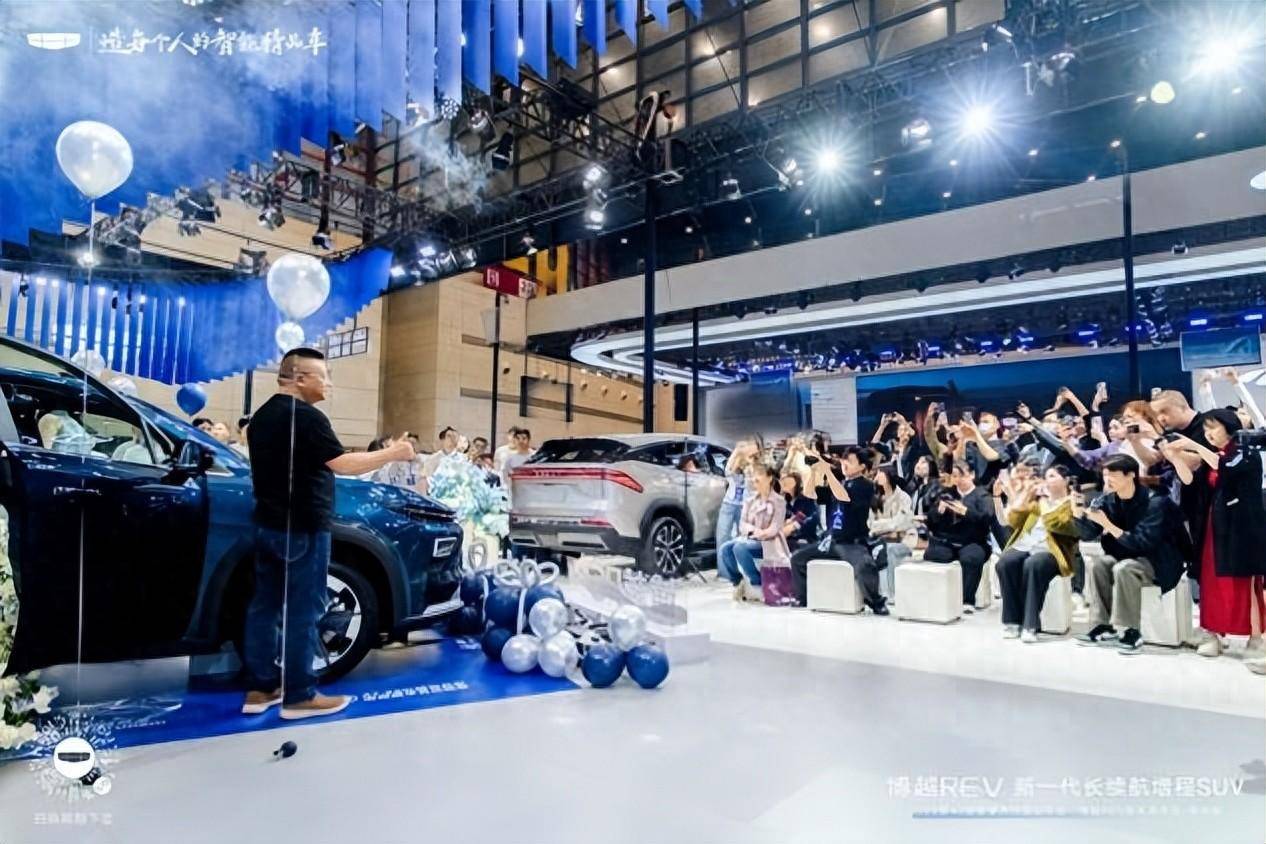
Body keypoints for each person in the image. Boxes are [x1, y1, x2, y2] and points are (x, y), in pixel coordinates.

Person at [243, 348, 412, 719]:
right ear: (300, 378)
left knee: (264, 606)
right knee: (305, 609)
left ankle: (261, 689)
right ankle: (299, 695)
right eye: (325, 376)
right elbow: (344, 464)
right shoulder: (307, 417)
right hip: (303, 528)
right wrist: (393, 453)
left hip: (268, 526)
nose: (329, 384)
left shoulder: (262, 417)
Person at [1163, 408, 1266, 658]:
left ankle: (1255, 637)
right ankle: (1212, 632)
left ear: (1229, 426)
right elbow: (1189, 480)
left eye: (1213, 427)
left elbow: (1226, 467)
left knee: (1244, 583)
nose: (1208, 433)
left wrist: (1194, 446)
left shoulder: (1246, 452)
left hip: (1242, 528)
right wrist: (1174, 457)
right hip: (1215, 525)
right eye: (1205, 428)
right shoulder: (1213, 455)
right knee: (1211, 582)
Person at [1074, 454, 1186, 654]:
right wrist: (1078, 514)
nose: (1108, 480)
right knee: (1099, 564)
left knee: (1123, 569)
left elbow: (1142, 542)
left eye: (1113, 475)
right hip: (1125, 555)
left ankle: (1131, 631)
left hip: (1159, 561)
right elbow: (1088, 534)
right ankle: (1102, 626)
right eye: (1105, 475)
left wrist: (1108, 525)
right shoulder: (1107, 500)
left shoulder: (1156, 503)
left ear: (1131, 475)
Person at [789, 446, 885, 614]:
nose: (844, 464)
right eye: (844, 460)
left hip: (852, 543)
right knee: (797, 558)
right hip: (831, 541)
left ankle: (876, 602)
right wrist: (814, 471)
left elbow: (844, 496)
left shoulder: (866, 485)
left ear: (862, 466)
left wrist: (827, 471)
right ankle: (803, 597)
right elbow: (809, 493)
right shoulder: (839, 484)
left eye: (850, 461)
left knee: (864, 565)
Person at [996, 465, 1080, 642]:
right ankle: (1012, 621)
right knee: (1005, 562)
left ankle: (1030, 624)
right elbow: (1013, 520)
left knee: (1033, 563)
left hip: (1053, 552)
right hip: (1026, 546)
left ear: (1065, 480)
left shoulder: (1070, 504)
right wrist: (1027, 493)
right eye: (1046, 476)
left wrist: (1044, 505)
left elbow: (1060, 525)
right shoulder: (1037, 503)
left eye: (1052, 476)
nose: (1047, 480)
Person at [924, 459, 994, 613]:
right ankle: (939, 598)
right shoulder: (947, 494)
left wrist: (966, 512)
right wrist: (939, 511)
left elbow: (987, 519)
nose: (959, 480)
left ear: (972, 475)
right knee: (932, 553)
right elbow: (931, 520)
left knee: (972, 558)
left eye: (962, 475)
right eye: (955, 476)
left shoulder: (982, 495)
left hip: (974, 541)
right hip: (948, 541)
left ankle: (967, 600)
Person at [717, 465, 787, 602]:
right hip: (751, 537)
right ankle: (737, 581)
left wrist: (762, 533)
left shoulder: (779, 501)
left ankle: (758, 582)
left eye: (759, 475)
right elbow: (743, 524)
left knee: (739, 548)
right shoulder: (750, 500)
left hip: (769, 541)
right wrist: (754, 531)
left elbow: (775, 528)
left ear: (769, 478)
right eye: (754, 475)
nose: (755, 479)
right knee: (725, 548)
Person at [868, 465, 915, 603]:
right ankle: (874, 593)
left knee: (890, 550)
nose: (877, 476)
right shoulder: (875, 498)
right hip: (880, 539)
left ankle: (891, 593)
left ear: (889, 476)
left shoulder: (903, 498)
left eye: (880, 473)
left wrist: (880, 525)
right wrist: (887, 526)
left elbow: (900, 523)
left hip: (903, 541)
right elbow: (870, 524)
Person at [717, 440, 758, 552]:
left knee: (741, 537)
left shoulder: (753, 467)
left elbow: (753, 483)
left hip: (744, 506)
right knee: (723, 536)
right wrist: (738, 452)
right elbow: (729, 471)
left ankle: (736, 560)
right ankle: (723, 561)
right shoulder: (732, 466)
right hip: (729, 503)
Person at [780, 473, 819, 551]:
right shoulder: (787, 502)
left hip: (805, 540)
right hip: (790, 539)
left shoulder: (806, 500)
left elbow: (804, 520)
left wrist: (792, 525)